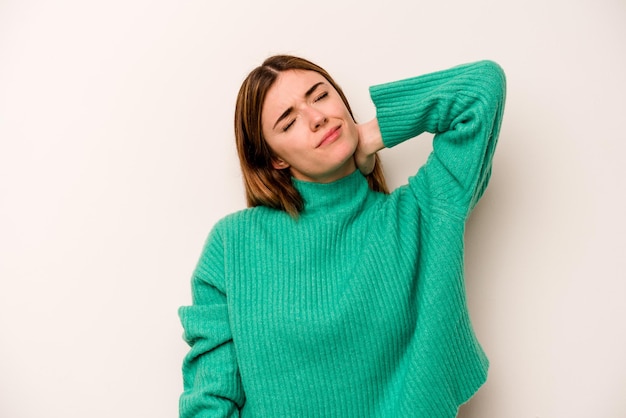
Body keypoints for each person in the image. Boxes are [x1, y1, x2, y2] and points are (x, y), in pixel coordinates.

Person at [178, 54, 506, 418]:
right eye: (288, 122)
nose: (317, 117)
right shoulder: (232, 245)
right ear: (275, 160)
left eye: (320, 96)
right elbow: (209, 400)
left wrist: (371, 134)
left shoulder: (420, 215)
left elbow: (482, 87)